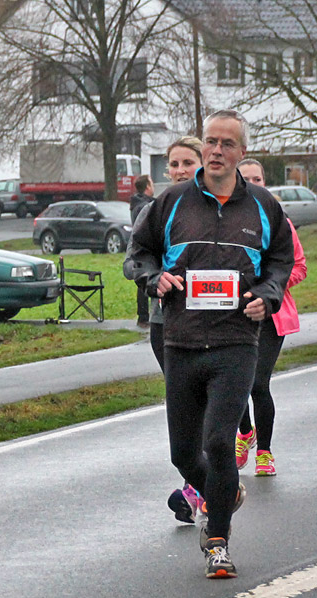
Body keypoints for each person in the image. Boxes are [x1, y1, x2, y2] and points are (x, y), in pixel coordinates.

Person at [129, 110, 294, 579]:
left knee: (219, 440)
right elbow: (138, 253)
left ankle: (217, 540)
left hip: (236, 342)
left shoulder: (262, 205)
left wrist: (267, 294)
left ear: (242, 154)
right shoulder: (172, 202)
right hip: (181, 341)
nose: (216, 151)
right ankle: (226, 492)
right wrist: (153, 277)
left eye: (227, 143)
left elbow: (281, 258)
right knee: (184, 454)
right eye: (210, 142)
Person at [124, 137, 205, 524]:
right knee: (186, 409)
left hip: (219, 324)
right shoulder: (158, 209)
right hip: (167, 323)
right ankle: (200, 486)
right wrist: (154, 278)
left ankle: (203, 488)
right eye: (173, 164)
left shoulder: (222, 207)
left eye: (188, 162)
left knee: (211, 409)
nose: (179, 171)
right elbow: (134, 260)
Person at [233, 160, 307, 476]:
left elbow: (299, 267)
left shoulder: (280, 222)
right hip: (234, 314)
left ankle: (264, 451)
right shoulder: (227, 220)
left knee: (258, 382)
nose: (252, 183)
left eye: (257, 178)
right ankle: (245, 431)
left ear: (265, 182)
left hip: (271, 315)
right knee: (233, 383)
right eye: (246, 179)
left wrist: (270, 287)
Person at [130, 174, 155, 328]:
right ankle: (144, 316)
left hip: (141, 246)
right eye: (151, 183)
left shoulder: (136, 203)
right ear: (147, 186)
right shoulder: (143, 206)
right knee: (144, 281)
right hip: (145, 246)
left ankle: (143, 316)